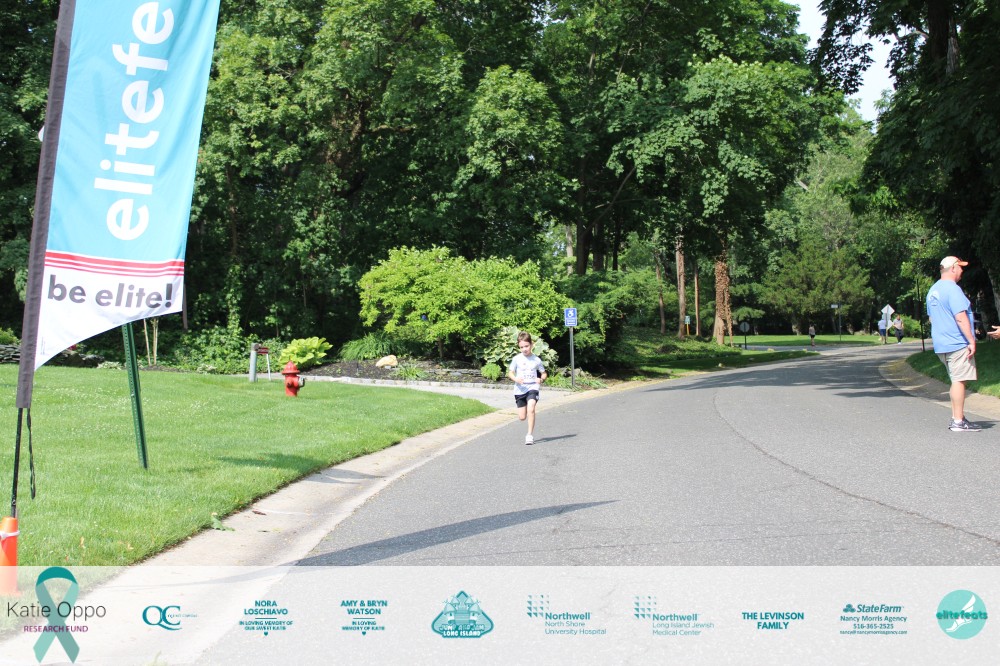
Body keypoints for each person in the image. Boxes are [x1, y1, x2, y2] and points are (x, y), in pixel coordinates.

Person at [926, 256, 980, 432]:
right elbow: (960, 317)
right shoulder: (953, 289)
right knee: (959, 381)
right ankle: (957, 421)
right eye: (960, 267)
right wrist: (971, 340)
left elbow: (931, 318)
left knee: (955, 379)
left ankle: (959, 417)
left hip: (941, 344)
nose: (962, 270)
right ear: (953, 268)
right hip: (957, 343)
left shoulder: (933, 290)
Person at [508, 331, 548, 445]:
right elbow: (510, 373)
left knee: (531, 408)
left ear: (531, 344)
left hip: (533, 387)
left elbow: (544, 373)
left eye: (526, 346)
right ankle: (524, 415)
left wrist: (541, 379)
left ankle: (529, 435)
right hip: (520, 389)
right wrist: (516, 379)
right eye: (521, 347)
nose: (524, 349)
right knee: (522, 417)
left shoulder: (536, 360)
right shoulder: (516, 359)